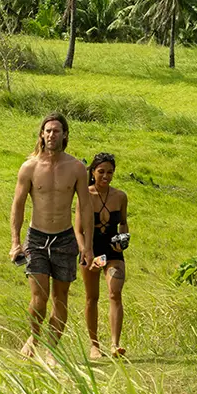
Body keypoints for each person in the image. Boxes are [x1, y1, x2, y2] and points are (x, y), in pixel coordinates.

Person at [9, 113, 93, 361]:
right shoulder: (30, 167)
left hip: (65, 238)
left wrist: (86, 246)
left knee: (61, 298)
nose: (51, 135)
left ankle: (52, 348)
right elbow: (18, 205)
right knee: (39, 297)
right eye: (47, 131)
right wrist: (15, 241)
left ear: (65, 135)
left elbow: (85, 207)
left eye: (56, 131)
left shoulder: (76, 167)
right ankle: (34, 337)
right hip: (36, 238)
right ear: (41, 135)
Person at [82, 153, 128, 360]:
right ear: (93, 172)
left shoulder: (120, 196)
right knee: (92, 297)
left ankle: (115, 344)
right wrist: (86, 252)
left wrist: (124, 237)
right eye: (101, 172)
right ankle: (94, 345)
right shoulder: (86, 195)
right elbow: (77, 229)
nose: (106, 176)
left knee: (114, 293)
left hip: (112, 252)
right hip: (92, 252)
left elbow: (123, 222)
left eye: (110, 172)